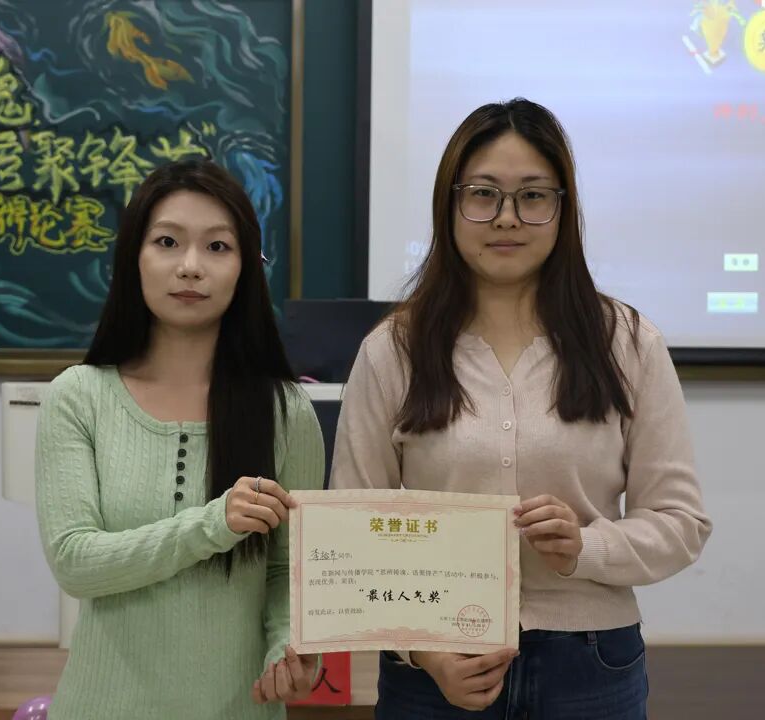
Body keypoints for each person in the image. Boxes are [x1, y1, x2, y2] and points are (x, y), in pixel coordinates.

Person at [329, 98, 712, 719]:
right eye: (483, 194)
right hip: (435, 669)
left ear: (563, 208)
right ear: (450, 204)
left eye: (533, 196)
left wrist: (584, 547)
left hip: (590, 665)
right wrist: (424, 652)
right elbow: (352, 533)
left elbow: (679, 522)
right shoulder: (392, 350)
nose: (506, 217)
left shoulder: (627, 342)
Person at [35, 160, 324, 719]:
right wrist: (213, 525)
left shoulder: (285, 410)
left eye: (218, 247)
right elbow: (74, 562)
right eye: (167, 242)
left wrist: (287, 648)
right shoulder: (78, 396)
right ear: (134, 258)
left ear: (246, 267)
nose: (190, 267)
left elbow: (290, 570)